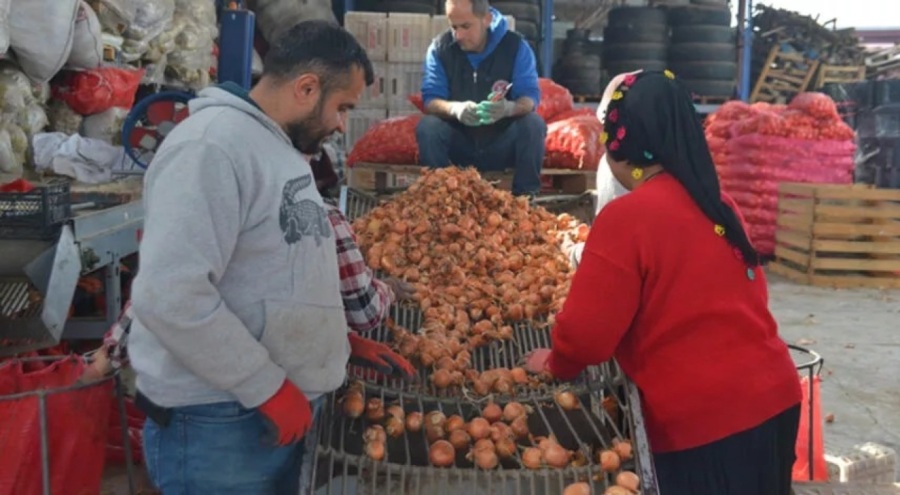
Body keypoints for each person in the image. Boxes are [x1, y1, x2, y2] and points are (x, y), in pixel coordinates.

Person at [125, 21, 395, 494]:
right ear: (307, 88)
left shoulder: (277, 148)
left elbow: (274, 268)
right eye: (342, 107)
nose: (341, 124)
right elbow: (171, 296)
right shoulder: (210, 147)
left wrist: (334, 339)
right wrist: (266, 387)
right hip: (220, 421)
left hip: (263, 410)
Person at [525, 71, 802, 495]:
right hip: (776, 401)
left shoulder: (626, 219)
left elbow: (587, 338)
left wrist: (556, 362)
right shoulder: (718, 202)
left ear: (617, 145)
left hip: (705, 426)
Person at [416, 0, 545, 196]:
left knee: (534, 124)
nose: (459, 35)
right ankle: (440, 199)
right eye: (454, 27)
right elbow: (430, 99)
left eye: (466, 26)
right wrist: (455, 109)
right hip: (459, 145)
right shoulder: (439, 49)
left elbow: (530, 97)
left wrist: (508, 108)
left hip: (501, 144)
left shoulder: (516, 47)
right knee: (428, 127)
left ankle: (526, 199)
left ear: (486, 19)